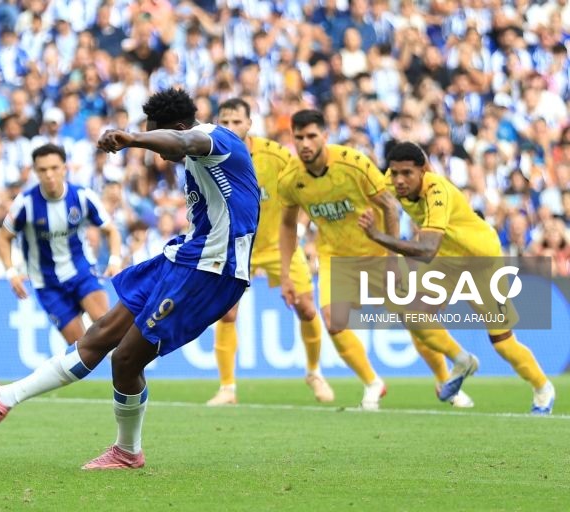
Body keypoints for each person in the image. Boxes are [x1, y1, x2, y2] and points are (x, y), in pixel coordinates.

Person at [0, 88, 261, 469]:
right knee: (101, 332)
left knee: (125, 360)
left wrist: (134, 138)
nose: (158, 153)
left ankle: (127, 451)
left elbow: (185, 139)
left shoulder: (214, 139)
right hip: (185, 257)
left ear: (179, 127)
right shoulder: (194, 160)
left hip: (211, 270)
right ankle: (4, 397)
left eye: (158, 138)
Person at [278, 109, 473, 410]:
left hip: (376, 252)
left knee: (415, 319)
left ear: (325, 137)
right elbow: (288, 224)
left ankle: (447, 378)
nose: (305, 143)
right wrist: (287, 274)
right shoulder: (291, 178)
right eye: (299, 137)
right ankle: (373, 383)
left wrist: (393, 259)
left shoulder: (353, 163)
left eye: (312, 136)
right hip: (335, 256)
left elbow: (389, 207)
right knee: (333, 321)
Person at [357, 141, 555, 414]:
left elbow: (427, 250)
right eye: (394, 173)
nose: (399, 181)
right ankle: (462, 360)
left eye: (407, 174)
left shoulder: (438, 191)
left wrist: (379, 237)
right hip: (448, 261)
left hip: (482, 261)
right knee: (411, 313)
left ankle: (542, 387)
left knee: (503, 343)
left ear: (423, 170)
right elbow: (367, 187)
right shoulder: (392, 184)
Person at [207, 98, 332, 406]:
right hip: (236, 245)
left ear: (250, 124)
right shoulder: (209, 158)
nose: (232, 128)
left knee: (306, 308)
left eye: (238, 121)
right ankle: (227, 388)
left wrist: (301, 229)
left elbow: (303, 189)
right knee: (226, 313)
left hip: (278, 245)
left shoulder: (275, 156)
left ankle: (314, 372)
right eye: (225, 121)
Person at [0, 143, 122, 345]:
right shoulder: (25, 203)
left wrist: (114, 260)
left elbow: (111, 230)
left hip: (81, 271)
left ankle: (126, 365)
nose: (49, 175)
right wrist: (11, 272)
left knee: (107, 326)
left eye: (54, 168)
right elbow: (3, 237)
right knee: (83, 349)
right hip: (47, 282)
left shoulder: (82, 196)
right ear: (35, 172)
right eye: (43, 170)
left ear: (64, 168)